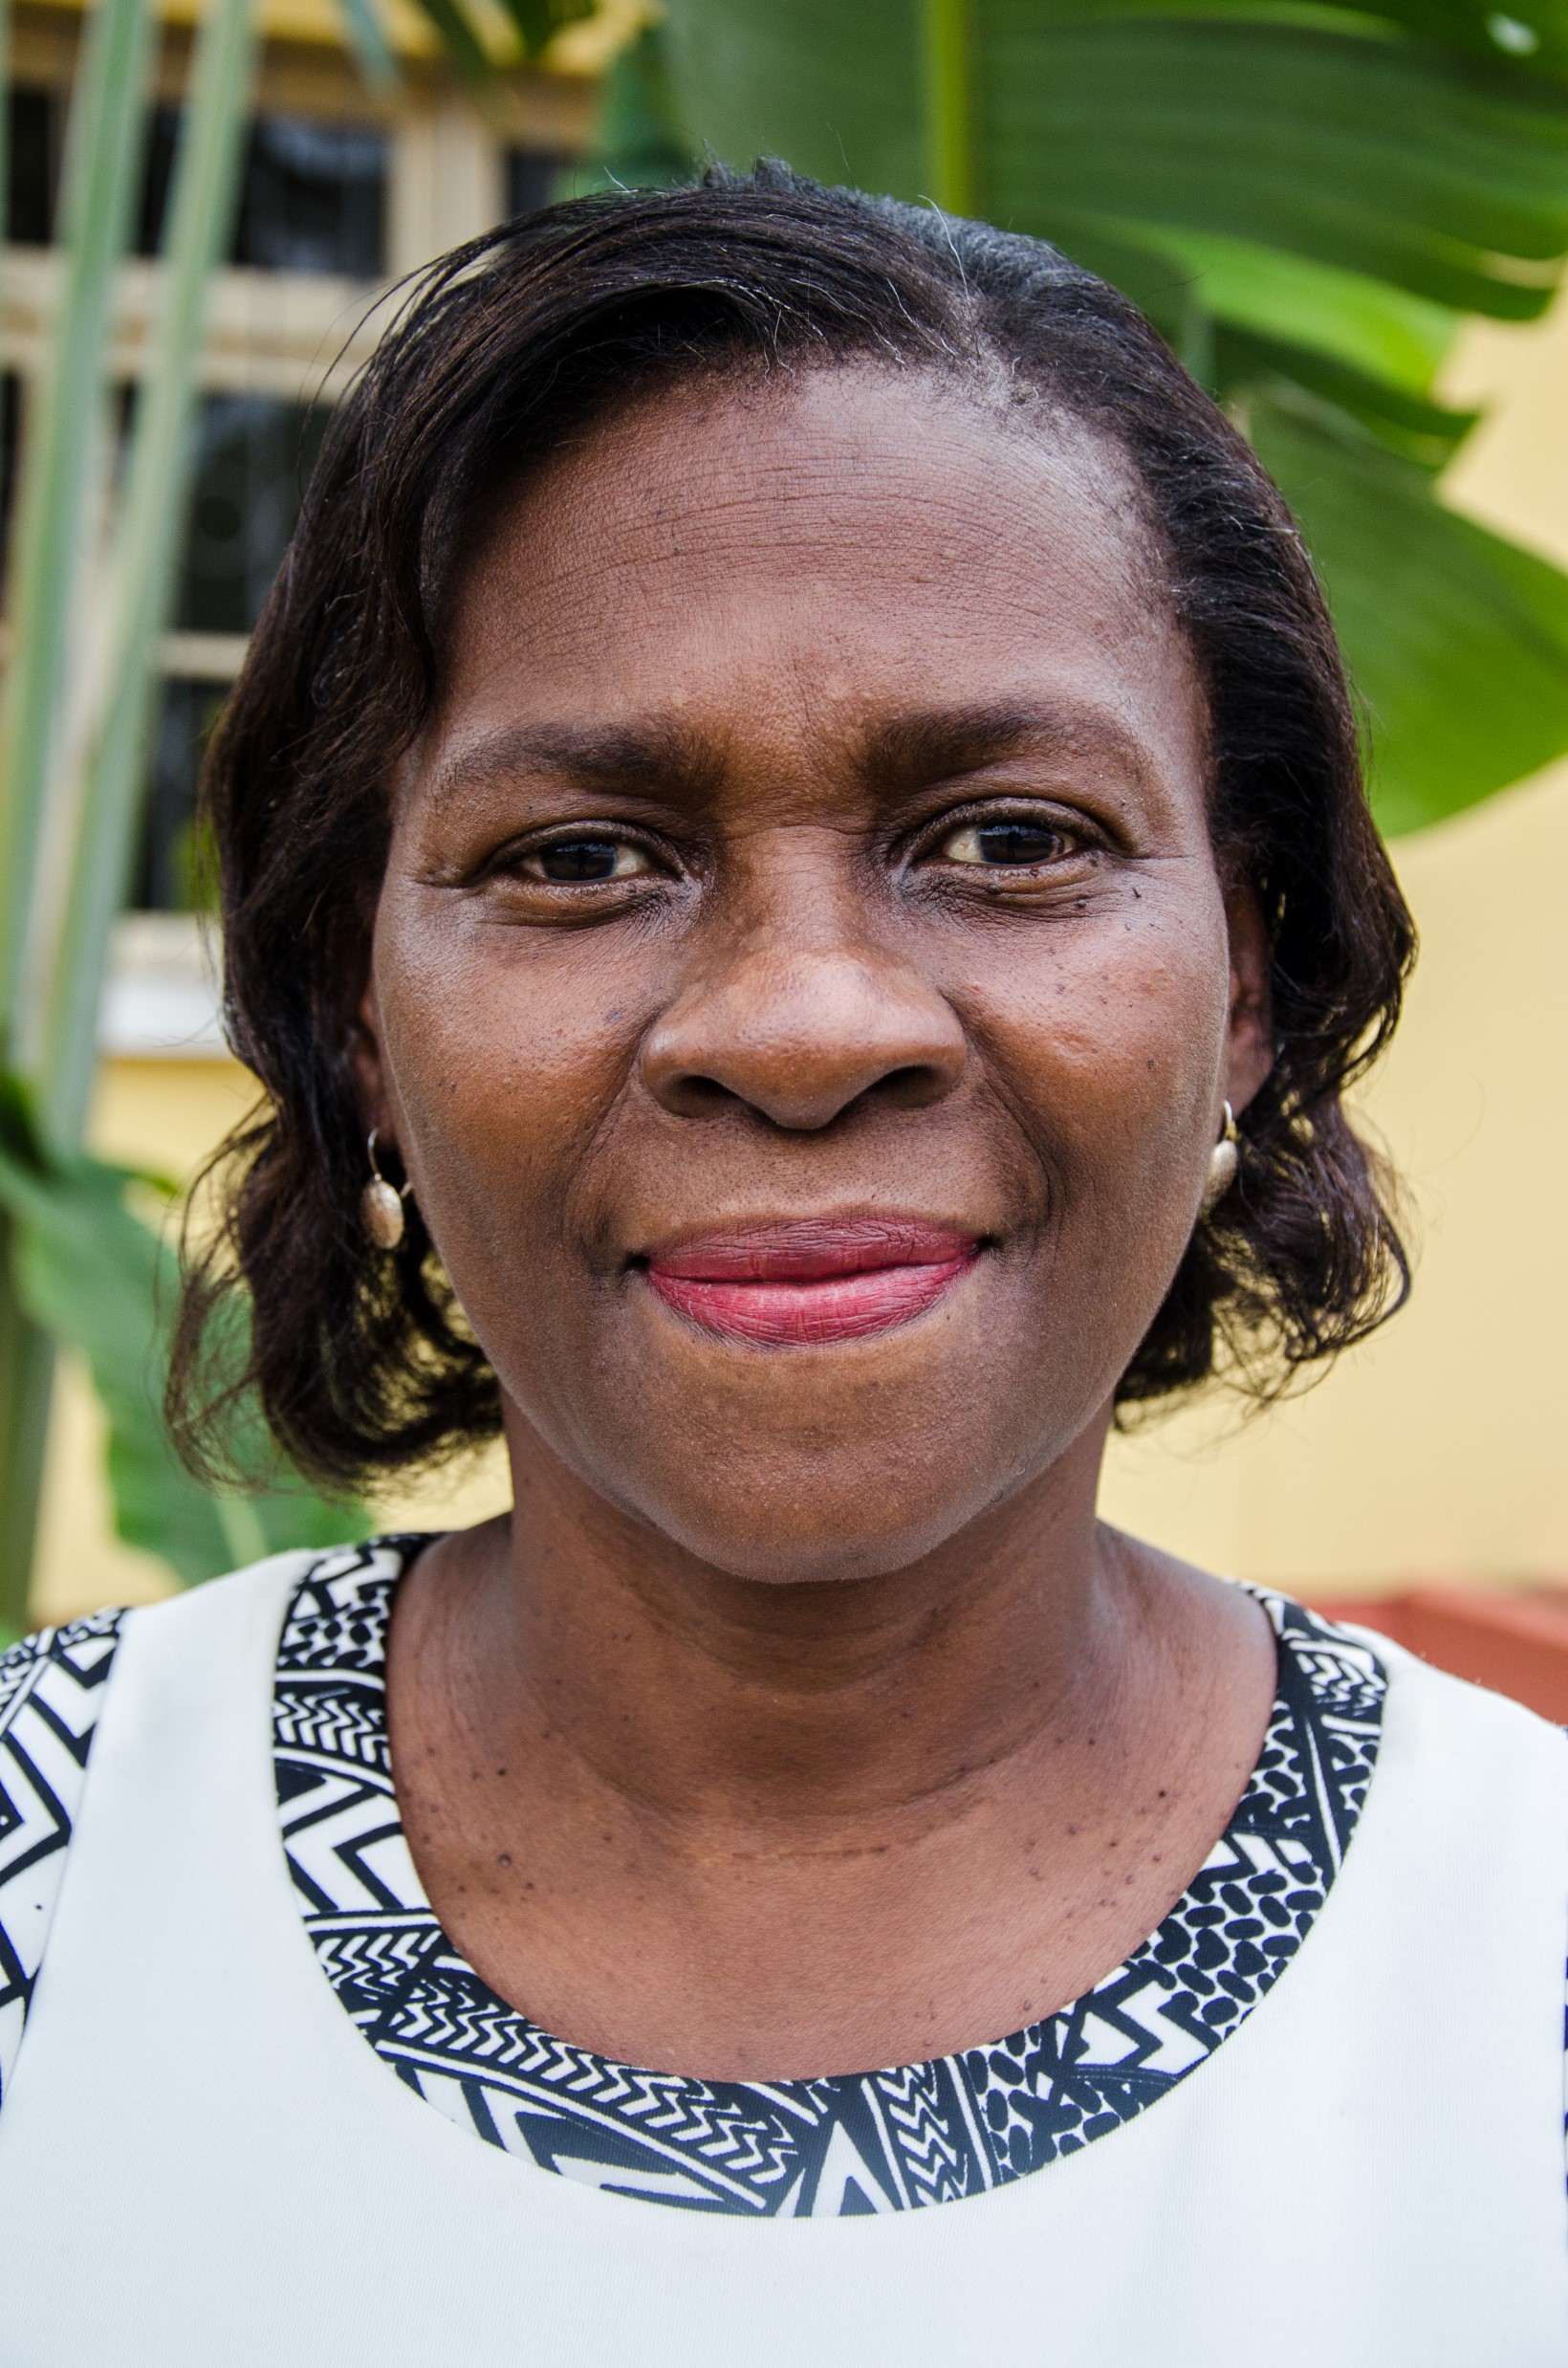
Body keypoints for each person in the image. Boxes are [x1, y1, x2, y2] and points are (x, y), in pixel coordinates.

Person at [0, 169, 1562, 2366]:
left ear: (1246, 976)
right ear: (358, 1014)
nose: (807, 1020)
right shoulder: (50, 1881)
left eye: (1010, 837)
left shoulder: (1521, 1962)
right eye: (580, 856)